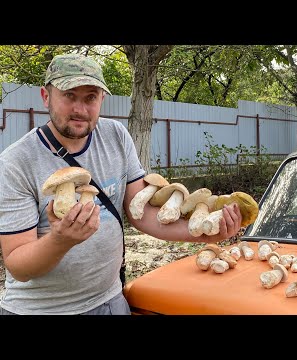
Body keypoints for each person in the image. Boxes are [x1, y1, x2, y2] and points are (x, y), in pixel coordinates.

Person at [0, 53, 242, 315]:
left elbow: (141, 214)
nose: (80, 109)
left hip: (110, 301)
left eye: (90, 97)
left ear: (102, 99)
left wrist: (204, 233)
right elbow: (18, 266)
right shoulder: (16, 162)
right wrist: (60, 241)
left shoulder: (115, 135)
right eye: (69, 95)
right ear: (46, 97)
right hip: (40, 310)